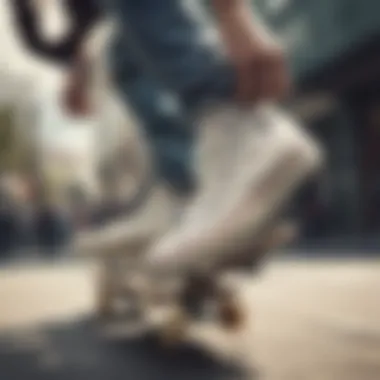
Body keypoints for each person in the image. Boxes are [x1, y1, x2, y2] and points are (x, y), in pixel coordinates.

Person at [10, 0, 322, 286]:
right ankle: (180, 188)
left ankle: (237, 126)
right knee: (122, 52)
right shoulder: (39, 22)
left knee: (123, 48)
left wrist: (233, 14)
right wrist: (79, 68)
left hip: (214, 54)